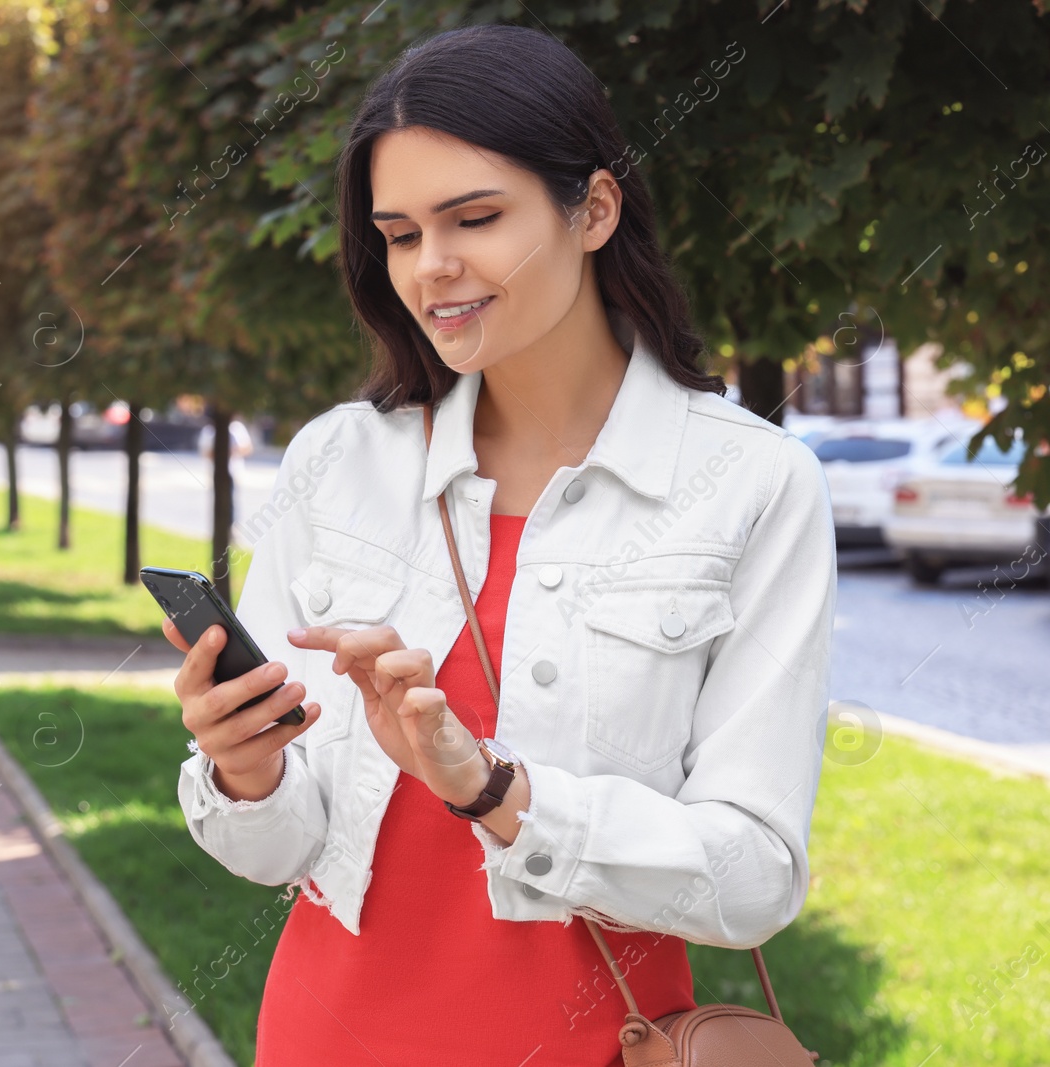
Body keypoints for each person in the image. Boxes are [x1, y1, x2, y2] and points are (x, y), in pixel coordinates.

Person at [164, 24, 836, 1066]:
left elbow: (753, 879)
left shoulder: (752, 484)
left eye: (474, 217)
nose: (432, 268)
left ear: (594, 210)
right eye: (397, 233)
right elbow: (283, 847)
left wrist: (492, 788)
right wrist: (244, 768)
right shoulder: (338, 461)